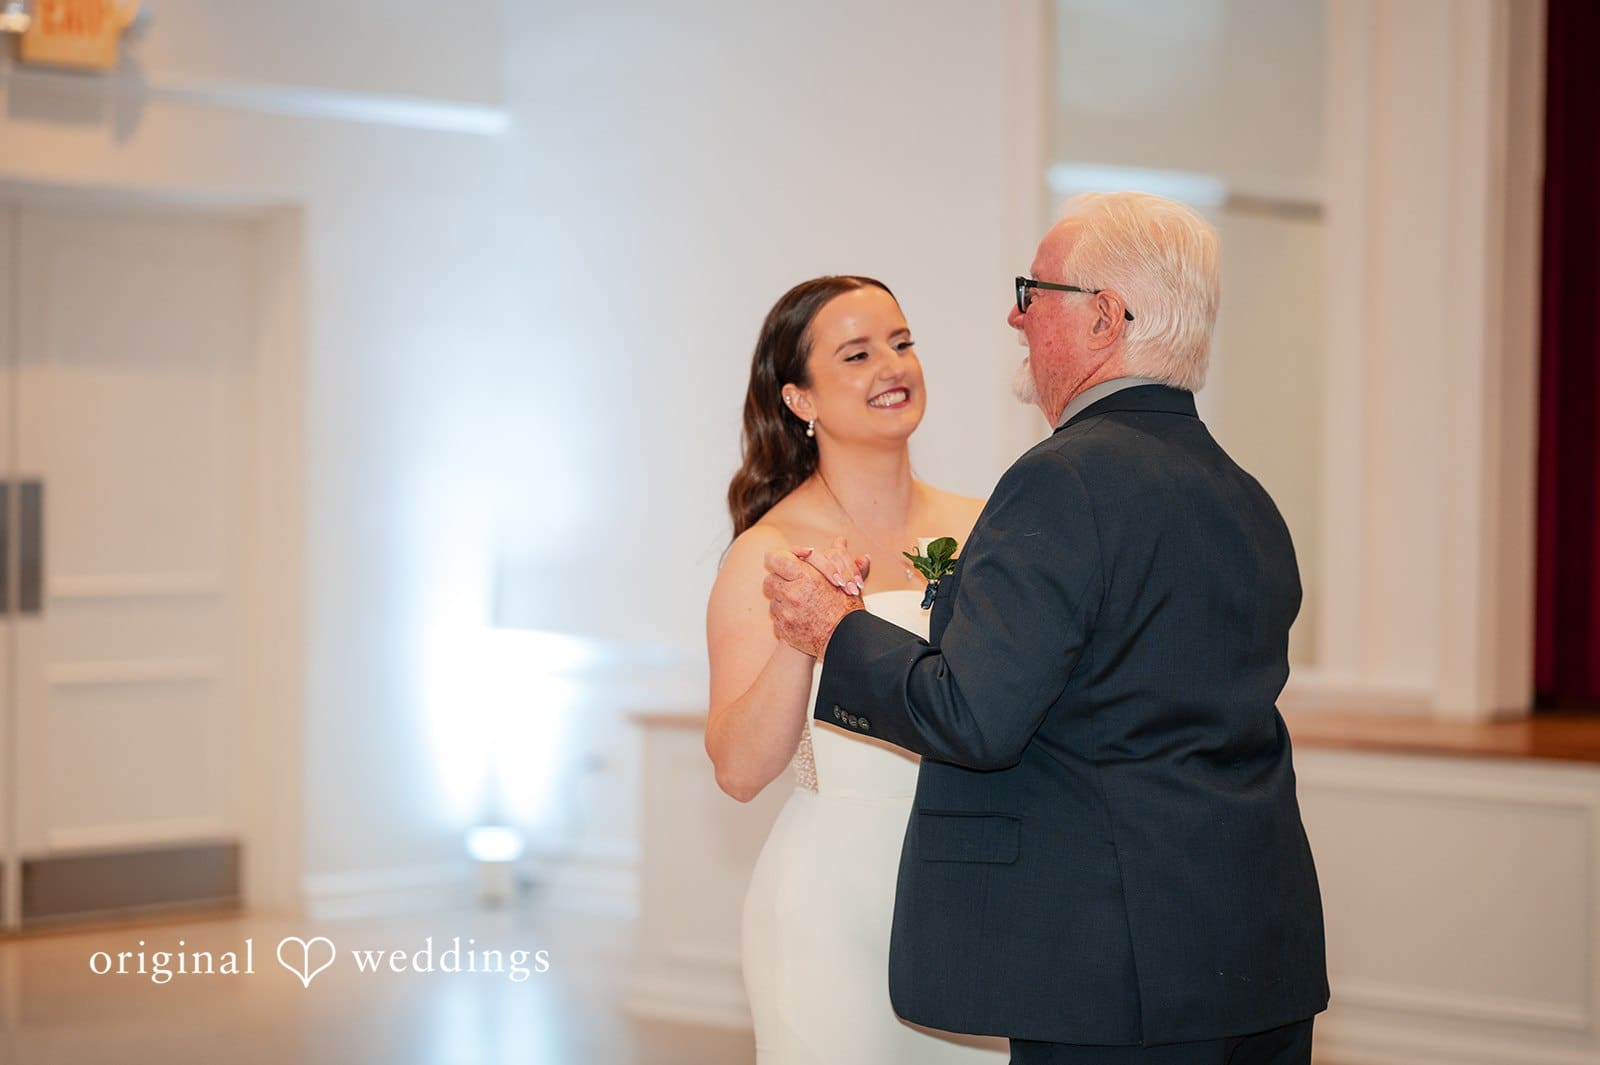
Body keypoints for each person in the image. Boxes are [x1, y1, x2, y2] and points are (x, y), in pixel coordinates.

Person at [763, 193, 1329, 1064]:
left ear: (1103, 318)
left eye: (1035, 291)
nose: (1015, 315)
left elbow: (977, 717)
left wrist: (838, 630)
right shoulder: (1246, 497)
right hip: (1256, 952)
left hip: (1113, 975)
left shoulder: (1062, 480)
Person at [705, 275, 1006, 1064]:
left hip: (974, 894)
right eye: (859, 353)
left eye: (902, 343)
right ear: (800, 399)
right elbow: (739, 769)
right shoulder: (767, 553)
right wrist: (806, 631)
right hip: (829, 909)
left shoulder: (988, 528)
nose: (893, 366)